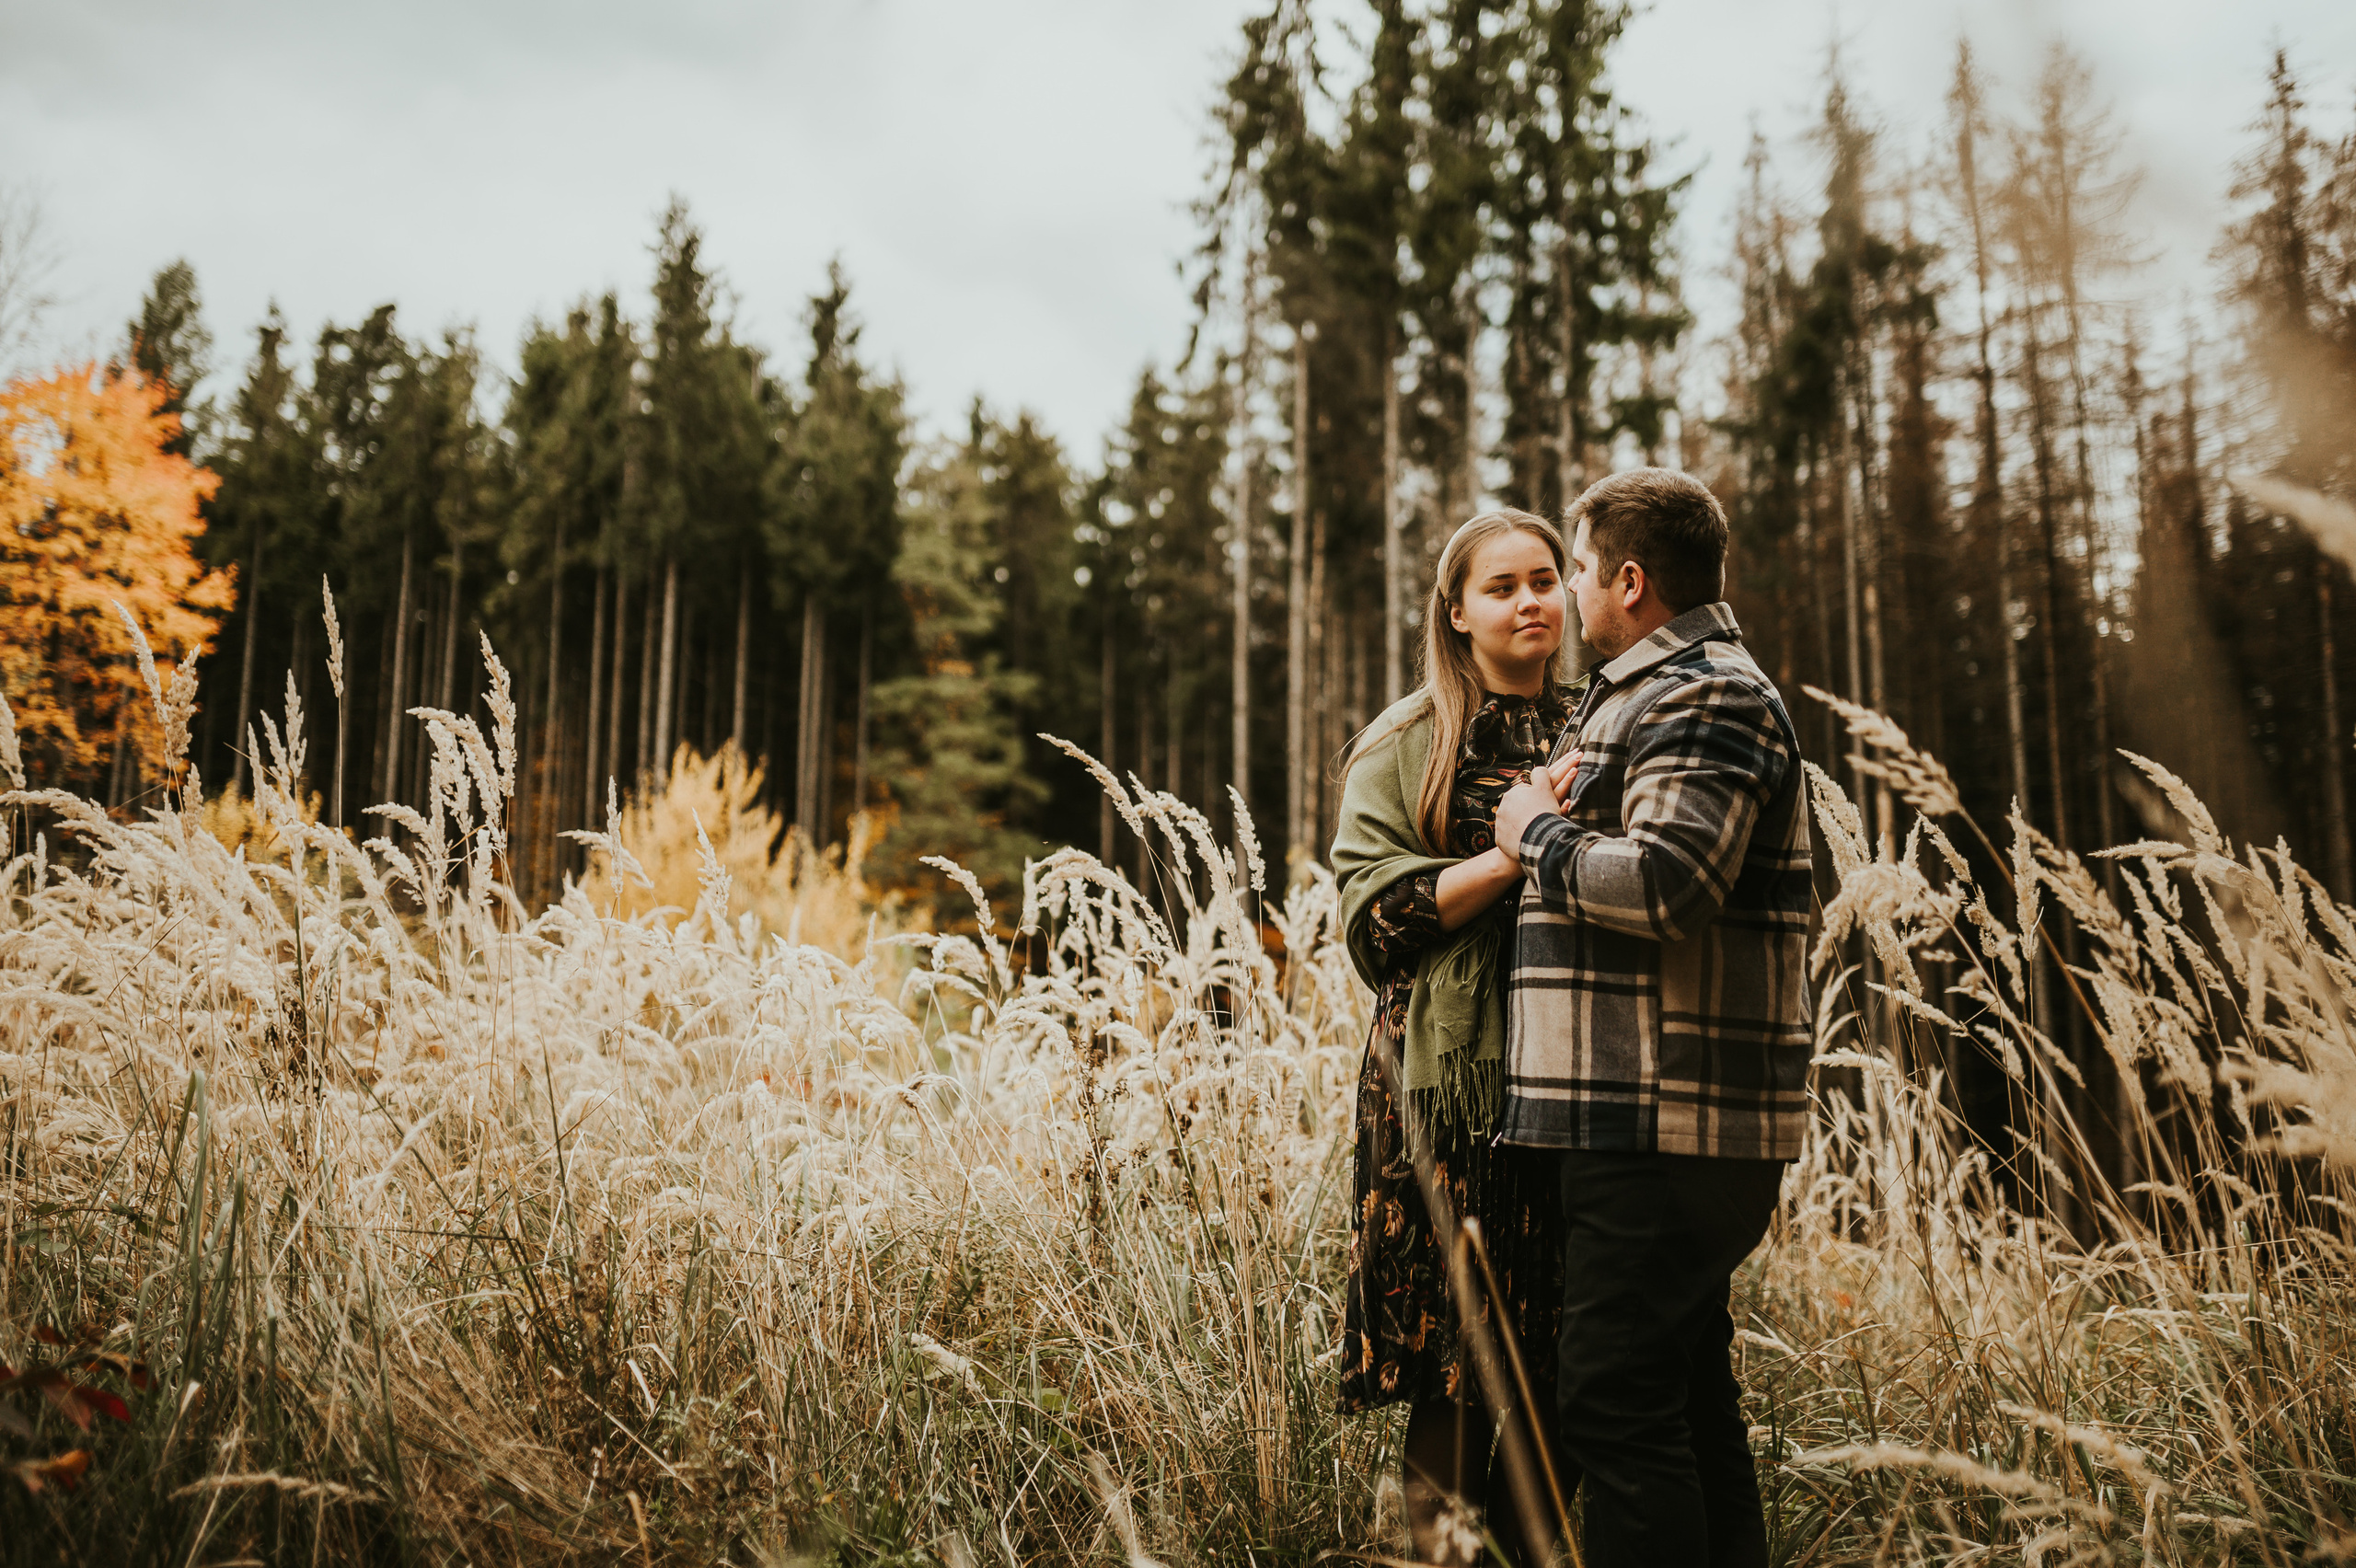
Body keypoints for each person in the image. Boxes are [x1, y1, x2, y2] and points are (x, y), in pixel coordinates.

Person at [1491, 467, 1813, 1568]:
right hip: (1642, 1116)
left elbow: (1670, 888)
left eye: (1576, 570)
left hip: (1666, 1120)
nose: (1571, 595)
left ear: (1630, 580)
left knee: (1614, 1402)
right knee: (1681, 1392)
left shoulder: (1703, 693)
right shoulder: (1649, 691)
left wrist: (1529, 828)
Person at [1330, 509, 1585, 1565]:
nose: (1530, 601)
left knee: (1562, 1365)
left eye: (1545, 579)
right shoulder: (1406, 743)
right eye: (1502, 587)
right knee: (1455, 1362)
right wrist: (1521, 844)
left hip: (1581, 1076)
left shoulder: (1600, 724)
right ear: (1457, 611)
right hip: (1445, 1096)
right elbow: (1374, 924)